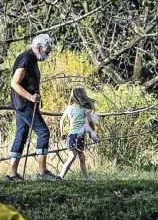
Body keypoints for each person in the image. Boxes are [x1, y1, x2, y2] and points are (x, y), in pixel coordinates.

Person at [6, 34, 60, 181]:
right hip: (24, 103)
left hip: (24, 103)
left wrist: (36, 95)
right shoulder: (26, 59)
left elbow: (30, 82)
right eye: (47, 52)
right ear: (39, 48)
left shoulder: (32, 58)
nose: (47, 56)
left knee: (21, 135)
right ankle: (42, 173)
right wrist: (30, 97)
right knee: (43, 132)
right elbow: (14, 83)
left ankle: (12, 174)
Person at [59, 87, 96, 181]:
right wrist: (92, 129)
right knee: (72, 157)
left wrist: (62, 132)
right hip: (79, 136)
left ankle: (87, 178)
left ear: (73, 96)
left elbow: (62, 120)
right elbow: (90, 121)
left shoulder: (68, 108)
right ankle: (60, 177)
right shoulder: (85, 109)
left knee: (81, 157)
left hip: (71, 135)